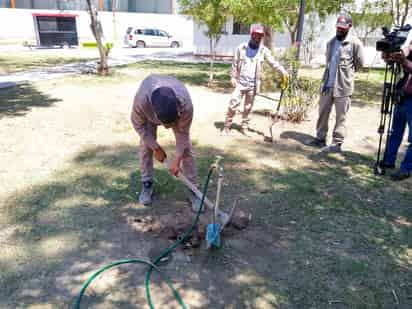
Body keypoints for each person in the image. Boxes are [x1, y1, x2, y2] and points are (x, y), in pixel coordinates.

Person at [131, 74, 201, 209]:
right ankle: (147, 184)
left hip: (177, 111)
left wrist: (177, 159)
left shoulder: (185, 104)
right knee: (146, 146)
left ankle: (194, 189)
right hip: (148, 115)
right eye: (166, 124)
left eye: (172, 123)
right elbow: (138, 125)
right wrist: (155, 147)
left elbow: (183, 135)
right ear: (156, 115)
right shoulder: (141, 101)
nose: (168, 128)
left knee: (186, 150)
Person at [308, 13, 365, 152]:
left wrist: (347, 75)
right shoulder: (331, 42)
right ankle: (320, 138)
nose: (339, 30)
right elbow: (329, 63)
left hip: (343, 87)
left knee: (341, 117)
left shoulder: (355, 43)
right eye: (338, 27)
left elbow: (360, 64)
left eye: (343, 28)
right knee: (323, 113)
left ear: (349, 27)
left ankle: (336, 143)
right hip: (328, 84)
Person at [223, 25, 289, 136]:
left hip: (253, 85)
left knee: (248, 108)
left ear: (262, 37)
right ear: (252, 35)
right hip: (240, 83)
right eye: (255, 35)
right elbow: (235, 63)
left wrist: (283, 71)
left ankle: (244, 127)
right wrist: (233, 77)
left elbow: (273, 63)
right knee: (233, 104)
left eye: (260, 36)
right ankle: (226, 126)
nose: (257, 38)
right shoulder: (241, 48)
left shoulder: (263, 50)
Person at [380, 44, 412, 181]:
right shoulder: (410, 46)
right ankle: (388, 161)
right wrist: (390, 56)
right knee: (394, 132)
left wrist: (403, 60)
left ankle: (405, 169)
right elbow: (405, 51)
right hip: (401, 97)